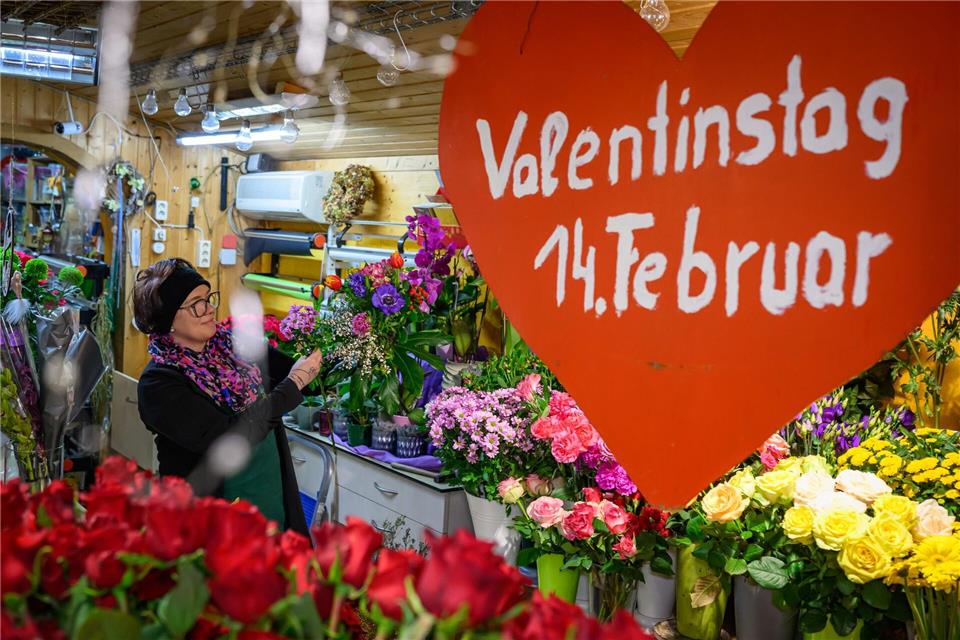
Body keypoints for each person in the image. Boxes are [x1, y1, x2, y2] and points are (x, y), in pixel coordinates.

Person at [133, 258, 321, 535]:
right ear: (168, 319)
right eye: (197, 303)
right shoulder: (159, 383)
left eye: (208, 298)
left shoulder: (233, 349)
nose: (209, 309)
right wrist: (293, 384)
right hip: (211, 525)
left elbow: (307, 380)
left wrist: (341, 340)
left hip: (270, 506)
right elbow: (230, 439)